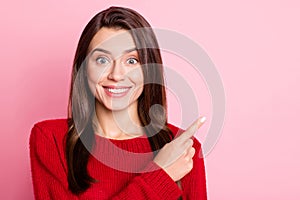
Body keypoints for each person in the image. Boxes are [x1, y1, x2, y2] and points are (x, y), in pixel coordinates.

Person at [30, 6, 207, 200]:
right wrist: (160, 177)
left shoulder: (182, 149)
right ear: (83, 68)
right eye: (102, 60)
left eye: (131, 61)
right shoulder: (50, 140)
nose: (116, 75)